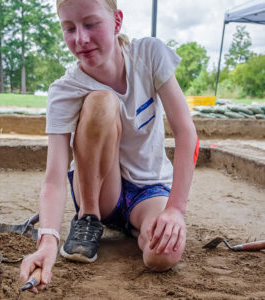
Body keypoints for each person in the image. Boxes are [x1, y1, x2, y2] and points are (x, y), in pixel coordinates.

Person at [20, 0, 198, 293]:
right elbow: (54, 176)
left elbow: (186, 133)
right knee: (102, 101)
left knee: (162, 255)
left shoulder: (149, 55)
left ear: (117, 22)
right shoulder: (64, 90)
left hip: (148, 189)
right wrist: (48, 240)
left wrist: (175, 210)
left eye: (91, 24)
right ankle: (88, 220)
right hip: (100, 193)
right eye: (69, 28)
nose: (80, 39)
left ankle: (137, 226)